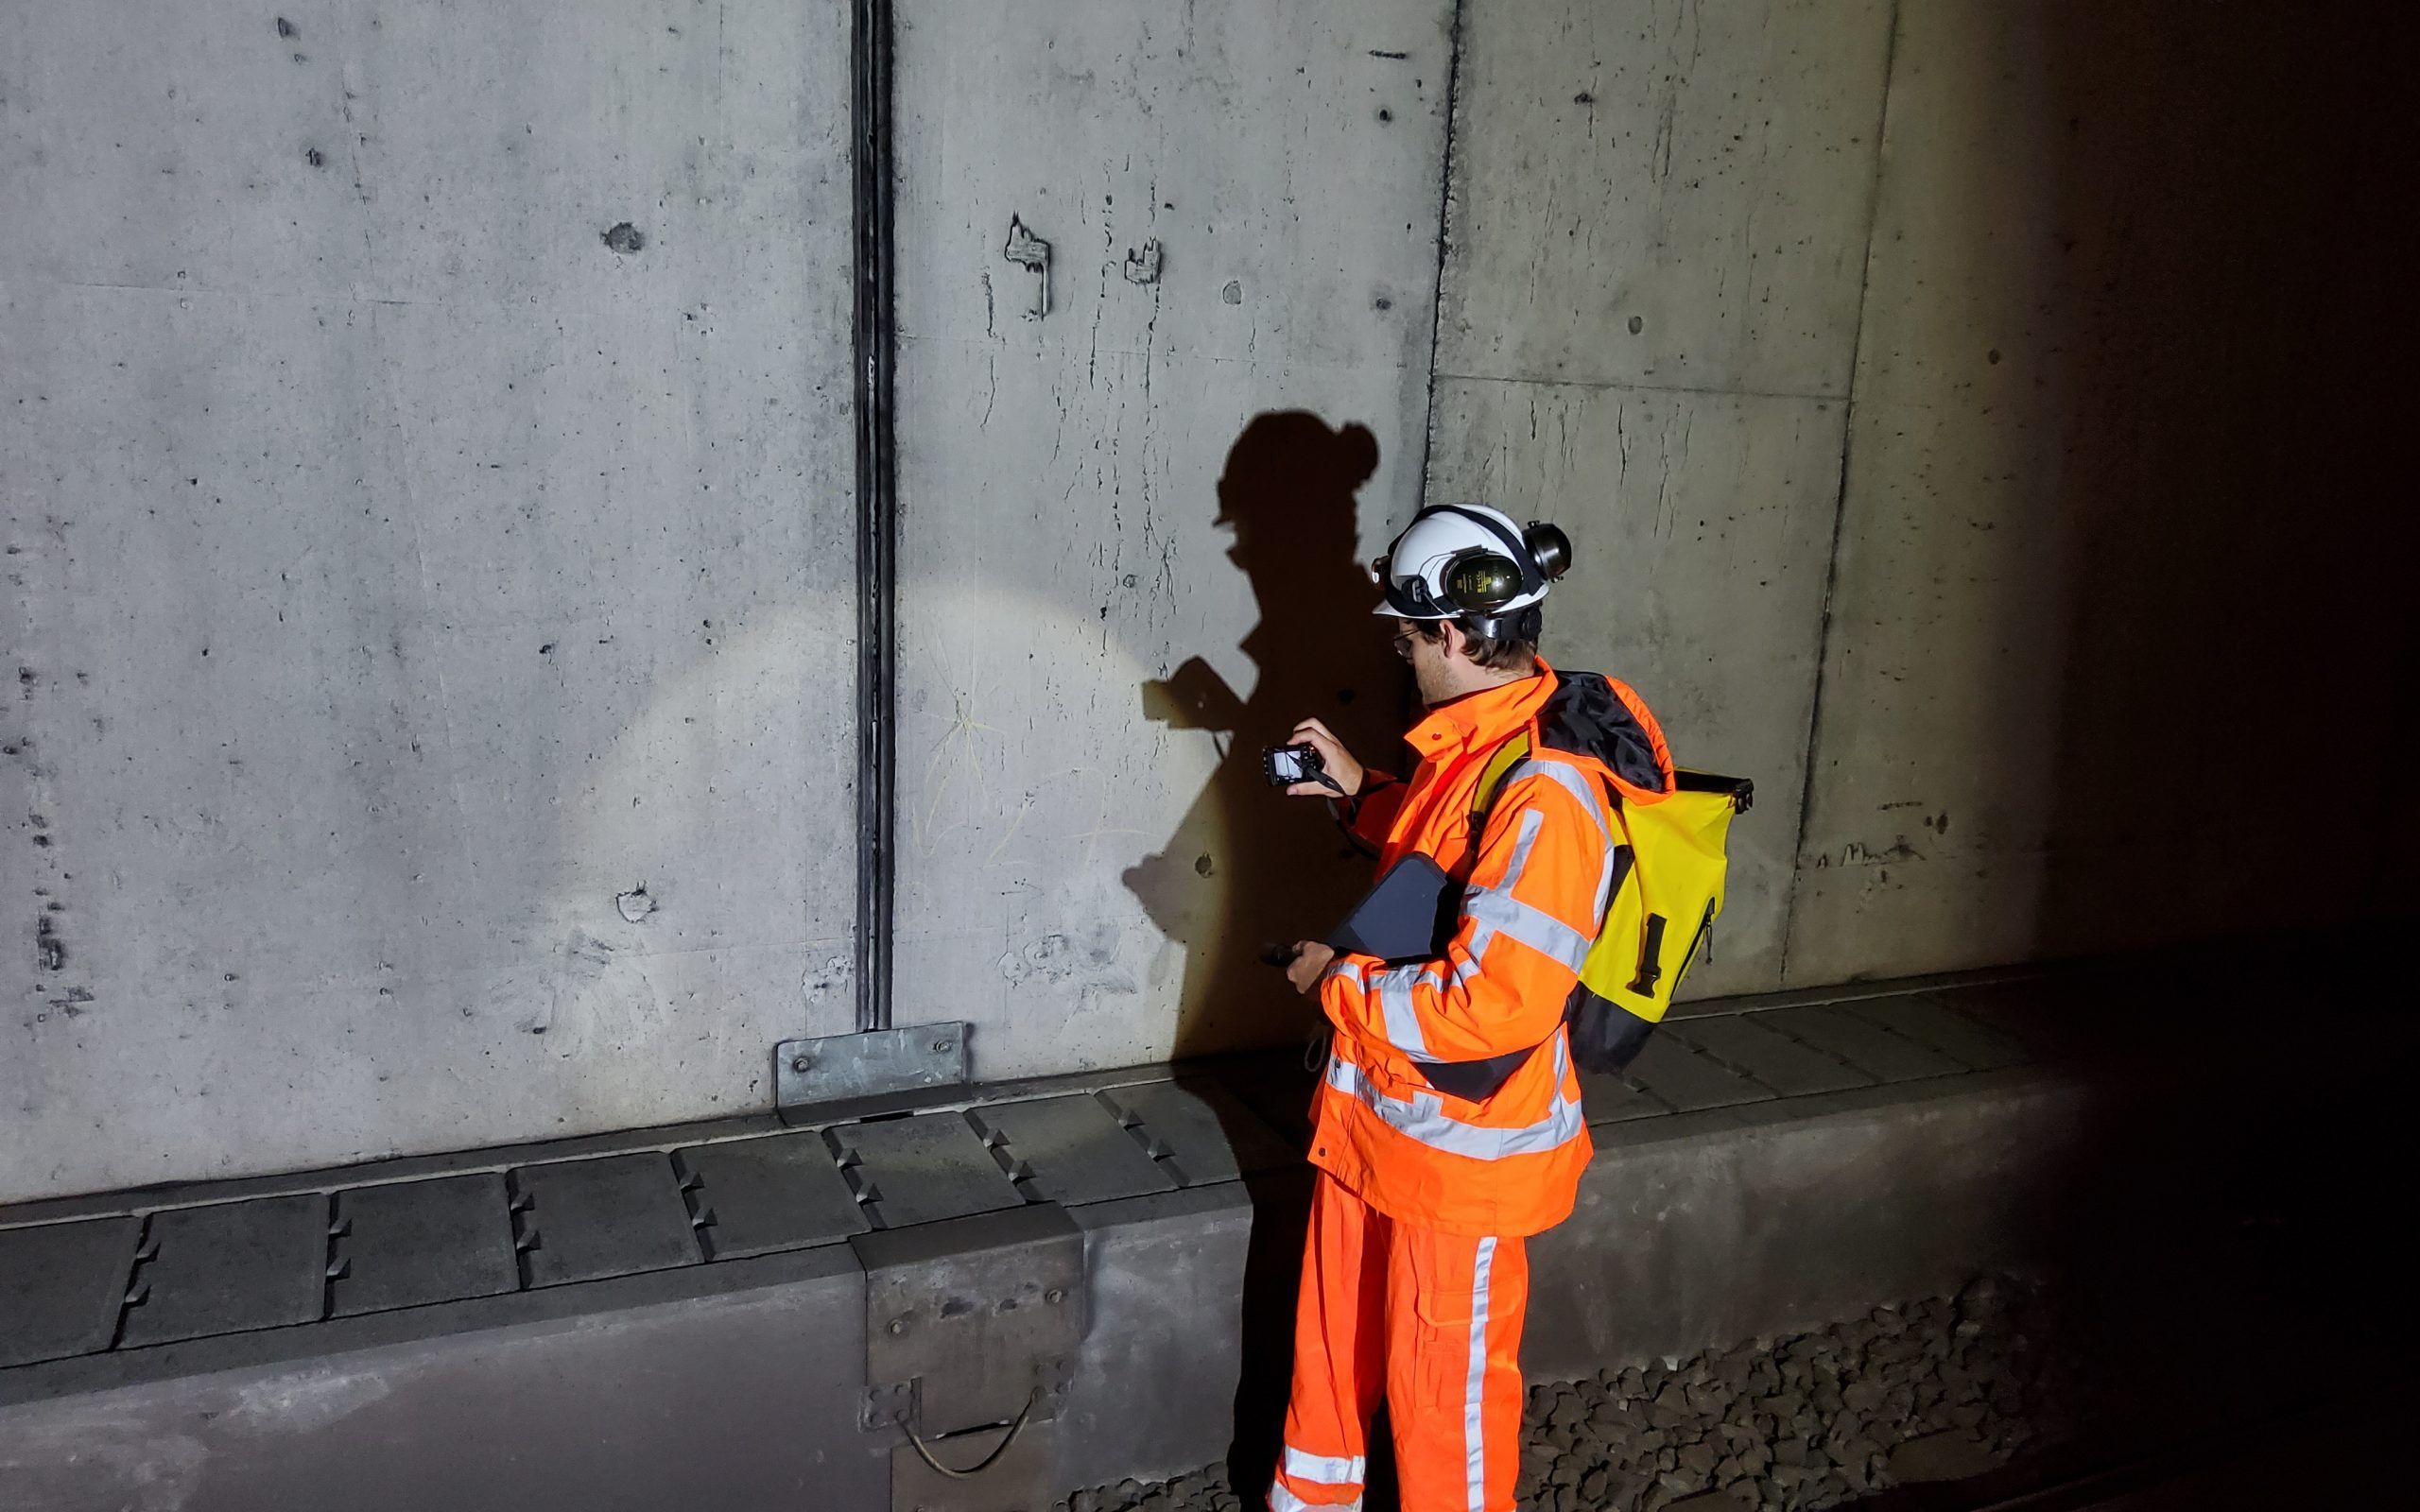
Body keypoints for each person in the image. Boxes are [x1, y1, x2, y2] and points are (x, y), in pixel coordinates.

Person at [1264, 504, 1677, 1512]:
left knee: (1444, 1403)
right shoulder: (1483, 746)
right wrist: (1357, 788)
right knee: (1333, 1360)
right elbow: (1444, 855)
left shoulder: (1548, 793)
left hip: (1457, 1161)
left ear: (1451, 632)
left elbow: (1493, 1005)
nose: (1403, 658)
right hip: (1378, 1125)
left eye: (1406, 639)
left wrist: (1334, 981)